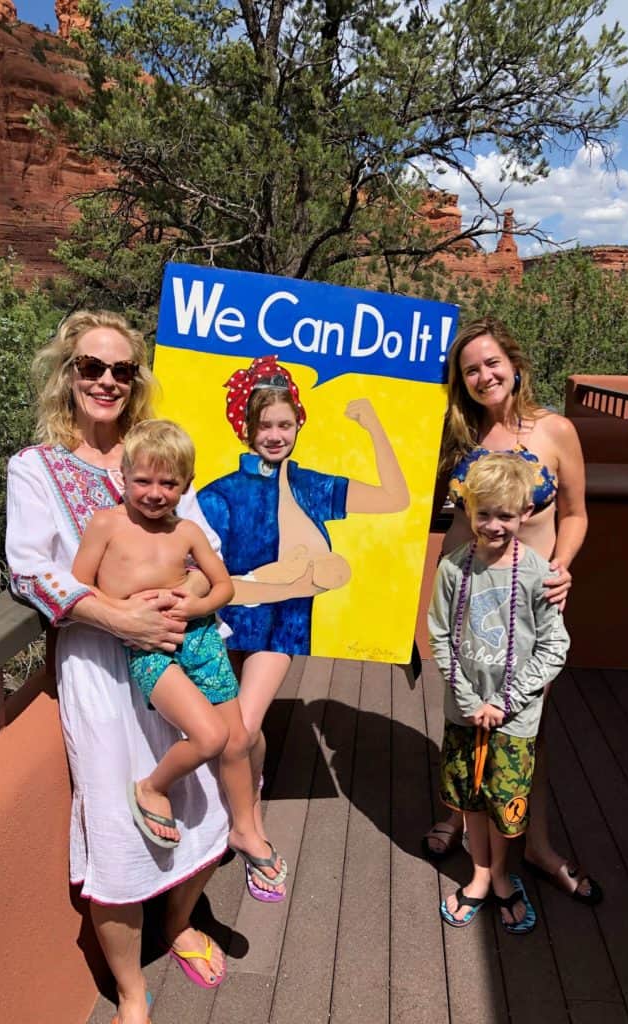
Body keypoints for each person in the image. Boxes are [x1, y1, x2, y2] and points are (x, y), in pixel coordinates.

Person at [6, 312, 227, 1024]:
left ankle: (181, 923)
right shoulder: (35, 469)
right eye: (92, 367)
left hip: (177, 654)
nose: (106, 380)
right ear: (68, 376)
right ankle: (132, 991)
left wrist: (178, 602)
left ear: (136, 381)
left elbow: (206, 546)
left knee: (199, 795)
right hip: (100, 668)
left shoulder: (154, 455)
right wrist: (118, 617)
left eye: (121, 369)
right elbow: (31, 570)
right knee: (112, 812)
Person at [198, 354, 409, 900]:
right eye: (265, 425)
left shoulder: (310, 486)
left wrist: (373, 425)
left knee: (238, 730)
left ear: (299, 425)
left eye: (284, 424)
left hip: (279, 626)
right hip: (221, 623)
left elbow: (395, 498)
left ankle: (250, 831)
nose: (275, 435)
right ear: (246, 428)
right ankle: (250, 788)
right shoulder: (218, 494)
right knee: (244, 731)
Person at [422, 316, 602, 905]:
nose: (483, 376)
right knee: (461, 717)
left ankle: (537, 844)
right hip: (466, 598)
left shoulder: (555, 430)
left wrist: (562, 567)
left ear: (514, 362)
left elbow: (574, 513)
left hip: (527, 609)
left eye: (491, 362)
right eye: (470, 368)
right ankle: (459, 817)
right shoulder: (455, 434)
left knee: (527, 729)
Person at [71, 418, 287, 896]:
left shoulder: (186, 531)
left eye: (168, 483)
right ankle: (152, 786)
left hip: (203, 640)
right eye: (143, 480)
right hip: (153, 649)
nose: (154, 493)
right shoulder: (106, 523)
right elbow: (79, 586)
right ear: (123, 477)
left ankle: (244, 828)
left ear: (185, 484)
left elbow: (223, 584)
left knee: (237, 740)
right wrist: (121, 611)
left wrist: (197, 604)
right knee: (209, 737)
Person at [428, 453, 570, 932]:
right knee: (469, 795)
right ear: (468, 511)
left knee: (504, 803)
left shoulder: (540, 574)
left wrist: (506, 701)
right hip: (465, 712)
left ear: (524, 515)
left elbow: (554, 647)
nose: (493, 524)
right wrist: (470, 702)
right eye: (483, 513)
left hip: (514, 716)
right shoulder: (453, 569)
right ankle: (481, 875)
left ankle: (503, 873)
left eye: (505, 515)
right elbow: (440, 636)